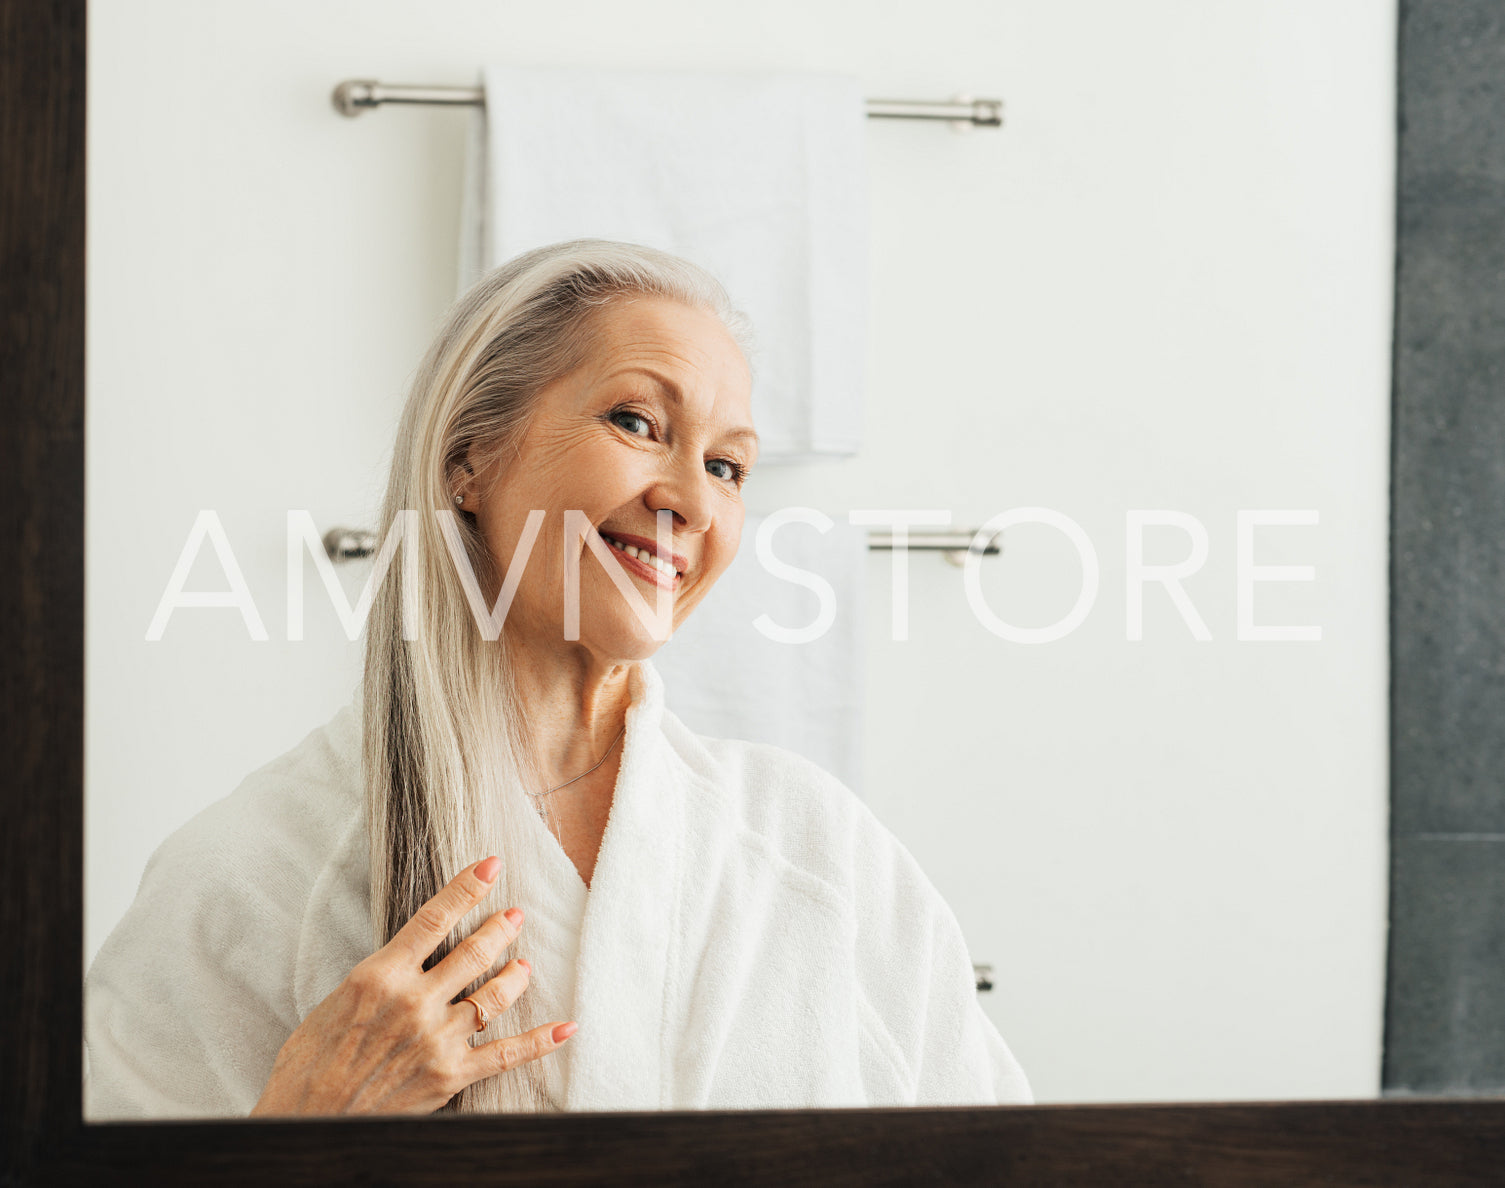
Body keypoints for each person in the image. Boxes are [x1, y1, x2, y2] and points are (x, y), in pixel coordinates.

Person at [83, 238, 1033, 1118]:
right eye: (636, 421)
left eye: (729, 466)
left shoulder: (819, 856)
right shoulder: (251, 877)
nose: (692, 498)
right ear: (467, 455)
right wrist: (301, 1136)